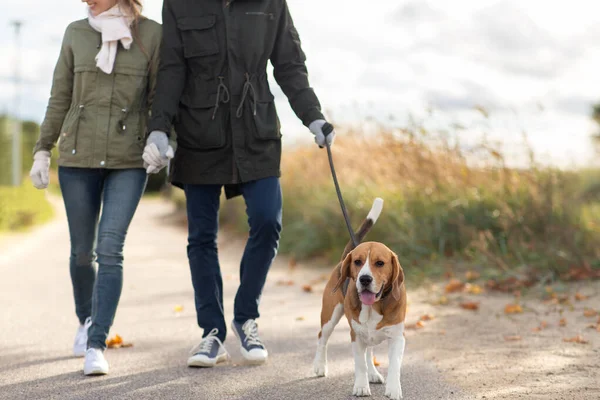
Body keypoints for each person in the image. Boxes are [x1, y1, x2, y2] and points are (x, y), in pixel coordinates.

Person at [142, 0, 336, 367]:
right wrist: (159, 129)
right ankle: (212, 333)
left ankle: (246, 317)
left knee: (268, 219)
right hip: (200, 133)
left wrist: (313, 117)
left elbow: (289, 64)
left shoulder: (270, 3)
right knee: (201, 236)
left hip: (256, 132)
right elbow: (171, 69)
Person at [29, 0, 167, 376]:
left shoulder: (152, 34)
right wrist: (42, 149)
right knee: (80, 253)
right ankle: (85, 319)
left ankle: (97, 343)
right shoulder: (76, 32)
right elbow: (60, 96)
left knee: (110, 247)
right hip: (77, 158)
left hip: (128, 160)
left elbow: (160, 97)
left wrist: (162, 138)